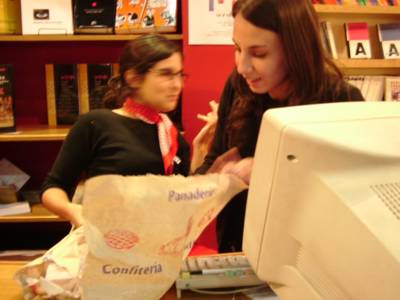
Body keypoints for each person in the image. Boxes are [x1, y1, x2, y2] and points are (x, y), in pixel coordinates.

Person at [196, 0, 365, 253]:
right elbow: (215, 156)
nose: (242, 66)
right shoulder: (239, 86)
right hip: (239, 247)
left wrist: (270, 174)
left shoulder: (341, 100)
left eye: (259, 53)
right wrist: (197, 185)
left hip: (307, 255)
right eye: (237, 48)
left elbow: (354, 197)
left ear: (296, 49)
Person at [41, 34, 190, 228]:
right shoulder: (96, 124)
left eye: (180, 75)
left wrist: (203, 153)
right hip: (104, 247)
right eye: (166, 74)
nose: (177, 85)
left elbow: (180, 203)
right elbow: (52, 187)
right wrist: (73, 210)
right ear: (134, 78)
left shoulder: (171, 135)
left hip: (157, 248)